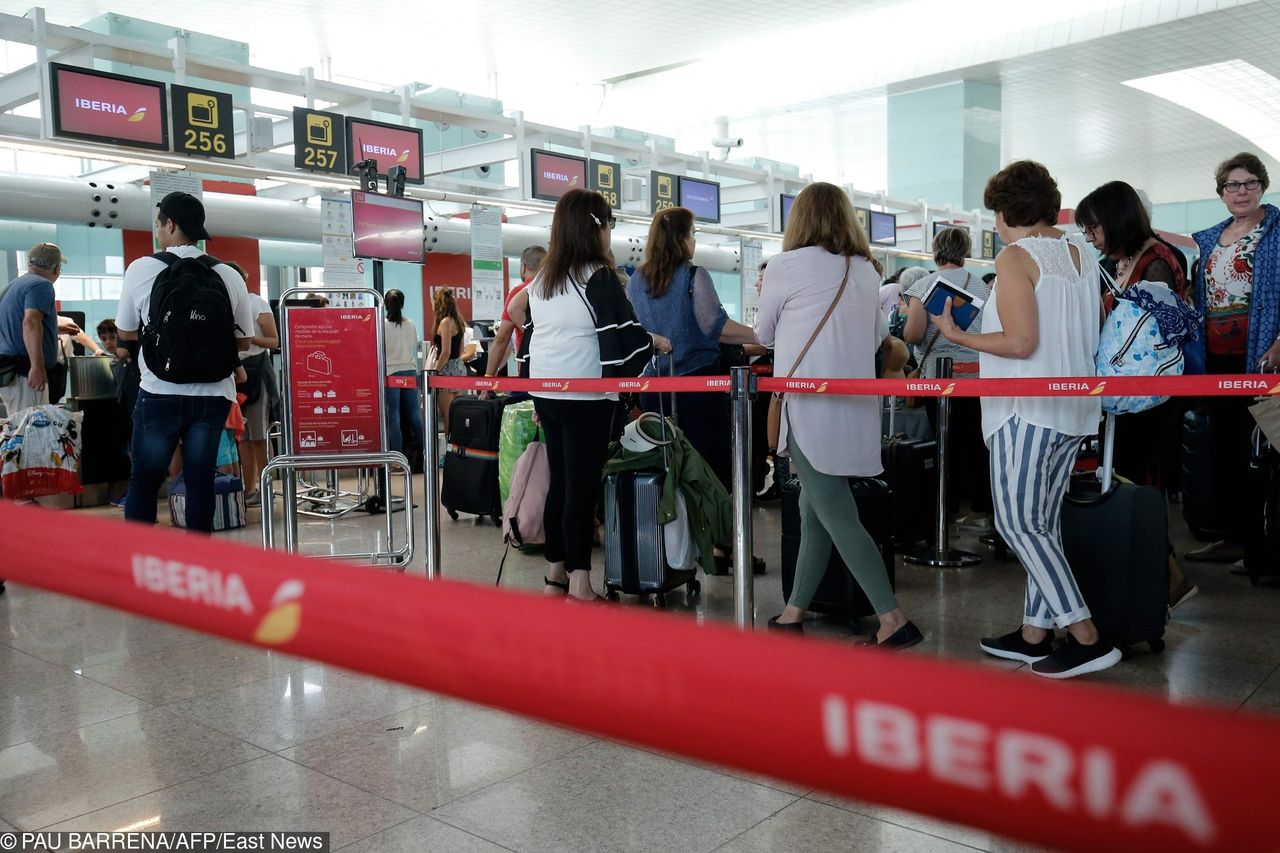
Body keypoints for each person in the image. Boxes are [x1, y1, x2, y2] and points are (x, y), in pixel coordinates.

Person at [930, 160, 1119, 678]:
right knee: (1043, 522)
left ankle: (1085, 636)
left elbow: (1020, 342)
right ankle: (1036, 632)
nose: (994, 224)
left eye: (995, 213)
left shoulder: (1017, 257)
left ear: (1008, 212)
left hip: (1025, 409)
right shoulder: (1080, 250)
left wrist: (960, 333)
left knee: (1017, 522)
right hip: (1074, 406)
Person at [756, 182, 921, 648]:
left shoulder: (784, 266)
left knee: (839, 514)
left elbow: (764, 333)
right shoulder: (868, 271)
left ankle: (893, 619)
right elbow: (876, 341)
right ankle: (794, 611)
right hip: (854, 407)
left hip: (809, 409)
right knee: (816, 511)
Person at [507, 189, 671, 601]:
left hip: (547, 390)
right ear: (596, 226)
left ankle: (554, 576)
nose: (611, 231)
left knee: (561, 483)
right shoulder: (597, 274)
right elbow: (626, 333)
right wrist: (655, 342)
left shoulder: (544, 276)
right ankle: (581, 582)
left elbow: (520, 318)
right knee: (581, 488)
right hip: (586, 394)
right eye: (609, 222)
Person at [1075, 181, 1198, 610]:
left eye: (1094, 228)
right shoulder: (1126, 258)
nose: (1091, 238)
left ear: (1116, 220)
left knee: (1138, 481)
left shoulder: (1159, 260)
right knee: (1125, 477)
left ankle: (1165, 577)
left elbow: (1146, 333)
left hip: (1149, 393)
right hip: (1126, 391)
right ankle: (1151, 575)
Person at [115, 192, 254, 533]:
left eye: (159, 223)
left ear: (171, 225)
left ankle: (139, 561)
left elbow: (125, 331)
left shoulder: (142, 268)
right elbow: (245, 341)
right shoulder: (228, 274)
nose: (158, 229)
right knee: (200, 479)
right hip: (213, 395)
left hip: (159, 390)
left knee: (145, 479)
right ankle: (197, 564)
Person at [1185, 152, 1280, 574]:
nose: (1241, 192)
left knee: (1260, 449)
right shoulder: (1210, 238)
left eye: (1249, 183)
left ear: (1262, 186)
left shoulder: (1276, 232)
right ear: (1221, 193)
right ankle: (1231, 537)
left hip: (1260, 354)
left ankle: (1261, 542)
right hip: (1216, 358)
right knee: (1222, 446)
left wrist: (1279, 344)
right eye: (1232, 185)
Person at [627, 207, 759, 490]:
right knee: (709, 470)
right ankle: (711, 529)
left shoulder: (636, 282)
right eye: (692, 234)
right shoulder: (693, 275)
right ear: (680, 239)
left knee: (666, 468)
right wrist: (763, 336)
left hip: (654, 390)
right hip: (699, 388)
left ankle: (672, 528)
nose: (694, 241)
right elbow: (717, 327)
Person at [902, 226, 994, 535]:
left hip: (940, 379)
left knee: (945, 446)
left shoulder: (925, 285)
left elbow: (914, 334)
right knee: (978, 445)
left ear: (936, 250)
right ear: (965, 250)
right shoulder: (981, 286)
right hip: (979, 377)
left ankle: (947, 511)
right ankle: (983, 510)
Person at [0, 243, 81, 417]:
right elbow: (30, 322)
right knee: (32, 431)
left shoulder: (14, 285)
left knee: (18, 429)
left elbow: (16, 323)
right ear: (57, 268)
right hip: (25, 373)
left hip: (11, 372)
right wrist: (37, 366)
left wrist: (56, 327)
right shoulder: (41, 285)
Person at [225, 261, 278, 507]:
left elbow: (274, 340)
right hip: (234, 374)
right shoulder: (224, 306)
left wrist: (249, 339)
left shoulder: (257, 303)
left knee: (259, 434)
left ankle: (268, 487)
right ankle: (250, 489)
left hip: (257, 371)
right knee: (243, 436)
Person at [486, 246, 546, 380]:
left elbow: (501, 340)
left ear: (523, 266)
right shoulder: (555, 290)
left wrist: (488, 381)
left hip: (530, 367)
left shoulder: (518, 293)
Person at [382, 288, 424, 460]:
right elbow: (414, 344)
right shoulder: (411, 324)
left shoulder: (381, 324)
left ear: (385, 304)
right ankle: (424, 453)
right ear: (403, 303)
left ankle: (397, 459)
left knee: (394, 417)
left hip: (390, 372)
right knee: (414, 415)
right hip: (409, 371)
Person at [427, 287, 467, 431]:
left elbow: (446, 352)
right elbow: (461, 351)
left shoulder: (445, 322)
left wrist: (435, 371)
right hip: (459, 368)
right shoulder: (458, 321)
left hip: (447, 370)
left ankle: (450, 449)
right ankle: (458, 448)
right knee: (458, 414)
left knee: (447, 415)